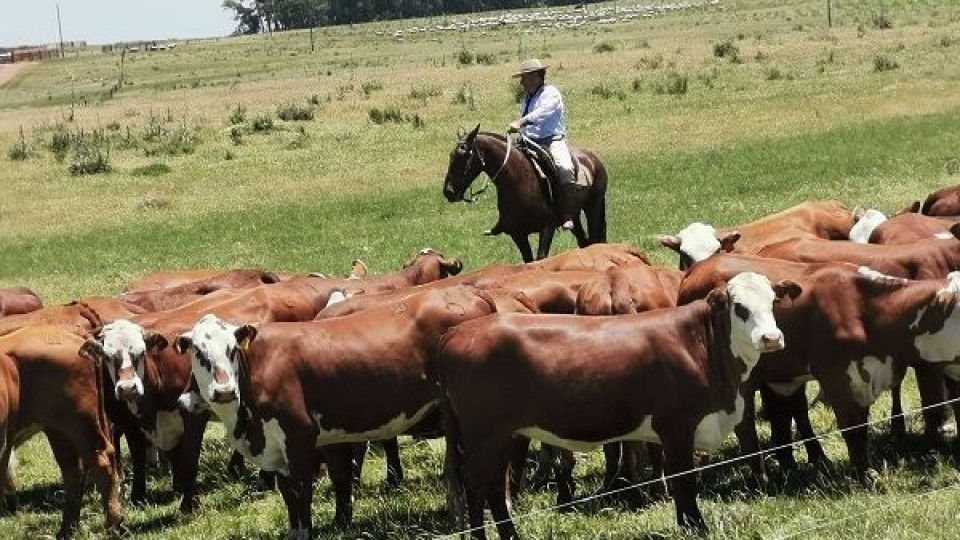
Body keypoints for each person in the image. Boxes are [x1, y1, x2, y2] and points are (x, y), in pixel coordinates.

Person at [507, 58, 581, 231]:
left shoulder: (551, 93)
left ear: (535, 76)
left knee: (564, 167)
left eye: (524, 77)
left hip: (551, 139)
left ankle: (568, 214)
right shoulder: (528, 97)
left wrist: (522, 122)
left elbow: (543, 113)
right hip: (530, 140)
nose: (521, 82)